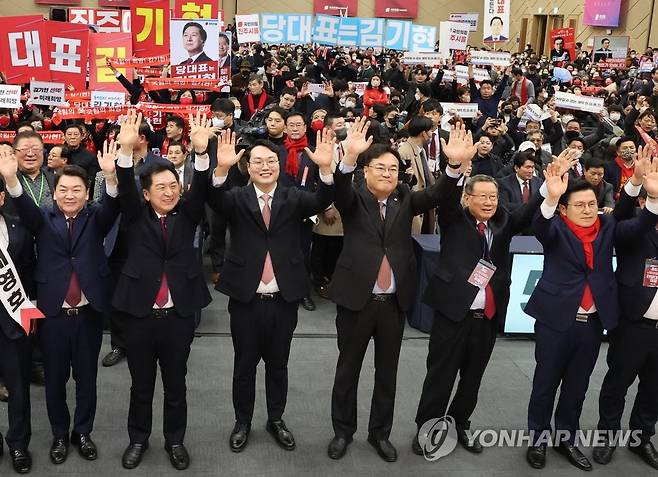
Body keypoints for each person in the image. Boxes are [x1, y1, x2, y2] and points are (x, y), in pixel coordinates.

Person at [413, 152, 576, 457]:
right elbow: (445, 197)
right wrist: (455, 167)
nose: (489, 202)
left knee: (472, 378)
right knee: (440, 376)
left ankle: (461, 422)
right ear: (467, 199)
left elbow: (527, 212)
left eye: (494, 196)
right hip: (452, 315)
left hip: (486, 317)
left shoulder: (503, 221)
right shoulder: (453, 218)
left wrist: (549, 190)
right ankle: (428, 427)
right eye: (482, 197)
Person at [327, 120, 468, 463]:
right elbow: (339, 190)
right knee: (348, 369)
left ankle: (380, 434)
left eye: (393, 168)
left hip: (393, 304)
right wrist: (348, 160)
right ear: (366, 170)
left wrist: (452, 167)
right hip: (356, 302)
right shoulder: (353, 197)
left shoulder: (405, 198)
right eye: (381, 167)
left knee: (387, 373)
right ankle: (343, 431)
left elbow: (436, 195)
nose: (389, 173)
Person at [525, 149, 658, 471]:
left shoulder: (607, 227)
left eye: (591, 204)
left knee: (577, 386)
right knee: (545, 384)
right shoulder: (554, 228)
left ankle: (566, 439)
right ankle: (537, 441)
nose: (586, 210)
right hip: (556, 320)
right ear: (565, 209)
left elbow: (632, 215)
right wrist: (550, 198)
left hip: (592, 323)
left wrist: (643, 187)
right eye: (579, 205)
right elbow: (539, 225)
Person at [206, 130, 335, 454]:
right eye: (258, 162)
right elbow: (213, 199)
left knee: (279, 364)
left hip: (283, 299)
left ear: (280, 166)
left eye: (271, 162)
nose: (265, 167)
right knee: (244, 366)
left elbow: (323, 200)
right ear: (248, 167)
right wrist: (220, 170)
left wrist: (327, 170)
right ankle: (243, 422)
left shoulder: (294, 198)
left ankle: (276, 419)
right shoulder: (236, 198)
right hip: (246, 299)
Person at [0, 133, 122, 467]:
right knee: (54, 381)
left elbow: (113, 205)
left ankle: (82, 432)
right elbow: (22, 204)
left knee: (87, 380)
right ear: (54, 193)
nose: (69, 195)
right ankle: (58, 434)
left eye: (76, 190)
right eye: (63, 190)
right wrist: (11, 178)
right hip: (52, 314)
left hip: (88, 314)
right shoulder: (43, 218)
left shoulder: (95, 218)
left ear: (86, 194)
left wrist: (111, 176)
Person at [113, 111, 213, 471]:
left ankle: (175, 441)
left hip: (178, 316)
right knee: (140, 385)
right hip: (140, 316)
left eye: (173, 186)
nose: (169, 192)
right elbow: (124, 186)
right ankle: (138, 439)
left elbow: (200, 189)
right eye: (161, 188)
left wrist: (201, 154)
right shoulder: (136, 216)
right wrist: (125, 151)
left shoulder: (187, 215)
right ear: (146, 193)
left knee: (176, 385)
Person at [594, 177, 658, 470]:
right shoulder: (631, 230)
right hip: (634, 323)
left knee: (654, 388)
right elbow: (623, 217)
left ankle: (641, 437)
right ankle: (607, 436)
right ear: (645, 203)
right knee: (618, 383)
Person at [0, 175, 36, 474]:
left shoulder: (19, 229)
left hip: (13, 322)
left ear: (2, 198)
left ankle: (18, 444)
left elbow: (29, 273)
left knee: (19, 389)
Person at [397, 116, 436, 234]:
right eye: (430, 131)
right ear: (423, 133)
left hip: (426, 206)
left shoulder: (421, 150)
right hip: (412, 210)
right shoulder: (404, 152)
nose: (432, 134)